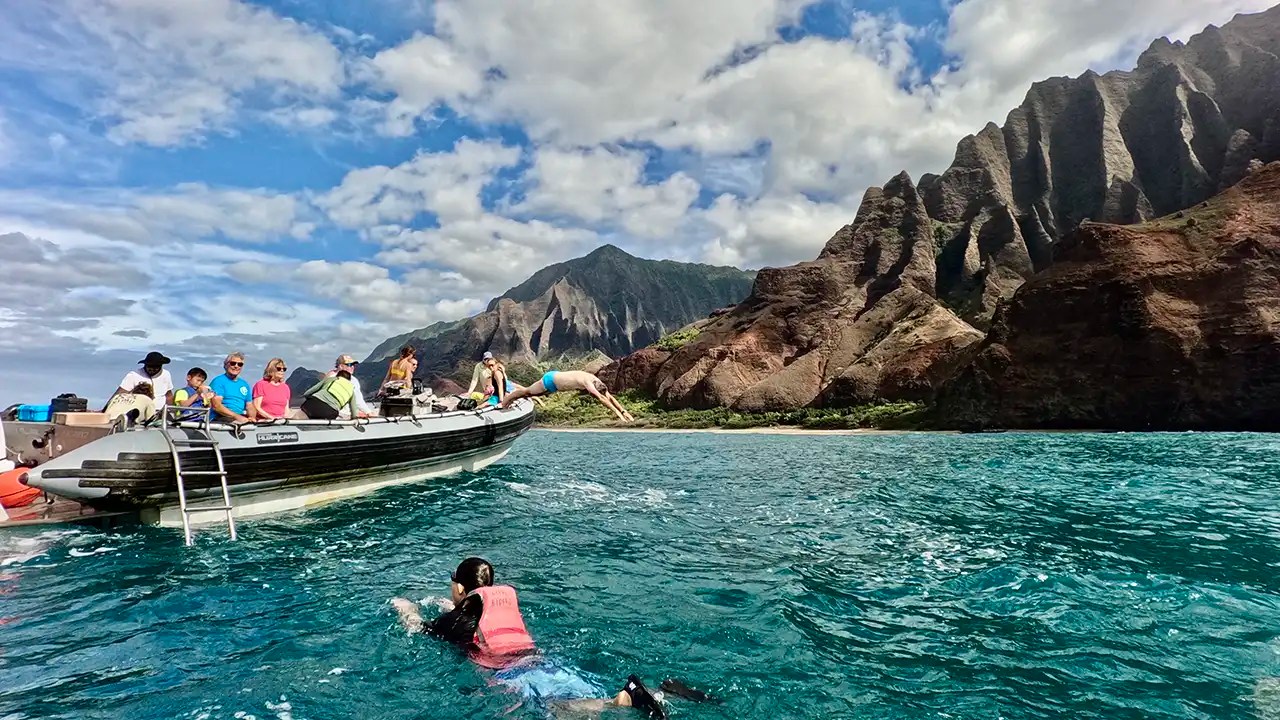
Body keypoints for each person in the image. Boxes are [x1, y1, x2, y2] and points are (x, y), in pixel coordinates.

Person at [390, 558, 670, 718]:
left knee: (559, 709)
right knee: (583, 694)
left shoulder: (458, 622)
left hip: (512, 674)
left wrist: (406, 609)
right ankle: (658, 694)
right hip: (542, 662)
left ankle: (618, 701)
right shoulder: (487, 609)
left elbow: (420, 628)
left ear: (462, 588)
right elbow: (473, 618)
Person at [499, 370, 634, 422]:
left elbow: (608, 396)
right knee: (527, 392)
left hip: (556, 386)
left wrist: (624, 411)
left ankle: (509, 399)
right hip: (550, 380)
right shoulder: (589, 382)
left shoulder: (598, 382)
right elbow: (601, 398)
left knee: (532, 394)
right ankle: (506, 400)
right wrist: (617, 414)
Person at [208, 352, 257, 424]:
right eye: (233, 363)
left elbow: (249, 405)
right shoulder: (218, 381)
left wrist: (252, 417)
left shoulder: (244, 384)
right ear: (226, 365)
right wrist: (237, 417)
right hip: (220, 417)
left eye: (240, 364)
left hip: (239, 416)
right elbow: (217, 406)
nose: (236, 366)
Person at [300, 370, 368, 420]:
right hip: (330, 411)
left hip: (312, 404)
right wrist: (354, 418)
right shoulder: (351, 390)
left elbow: (308, 392)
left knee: (302, 415)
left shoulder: (331, 379)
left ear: (338, 376)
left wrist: (308, 399)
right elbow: (353, 409)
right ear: (349, 380)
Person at [328, 355, 375, 419]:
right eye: (349, 365)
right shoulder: (332, 378)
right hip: (336, 415)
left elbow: (359, 400)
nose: (352, 367)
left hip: (348, 414)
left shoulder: (354, 380)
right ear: (341, 366)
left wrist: (368, 412)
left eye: (353, 365)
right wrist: (355, 413)